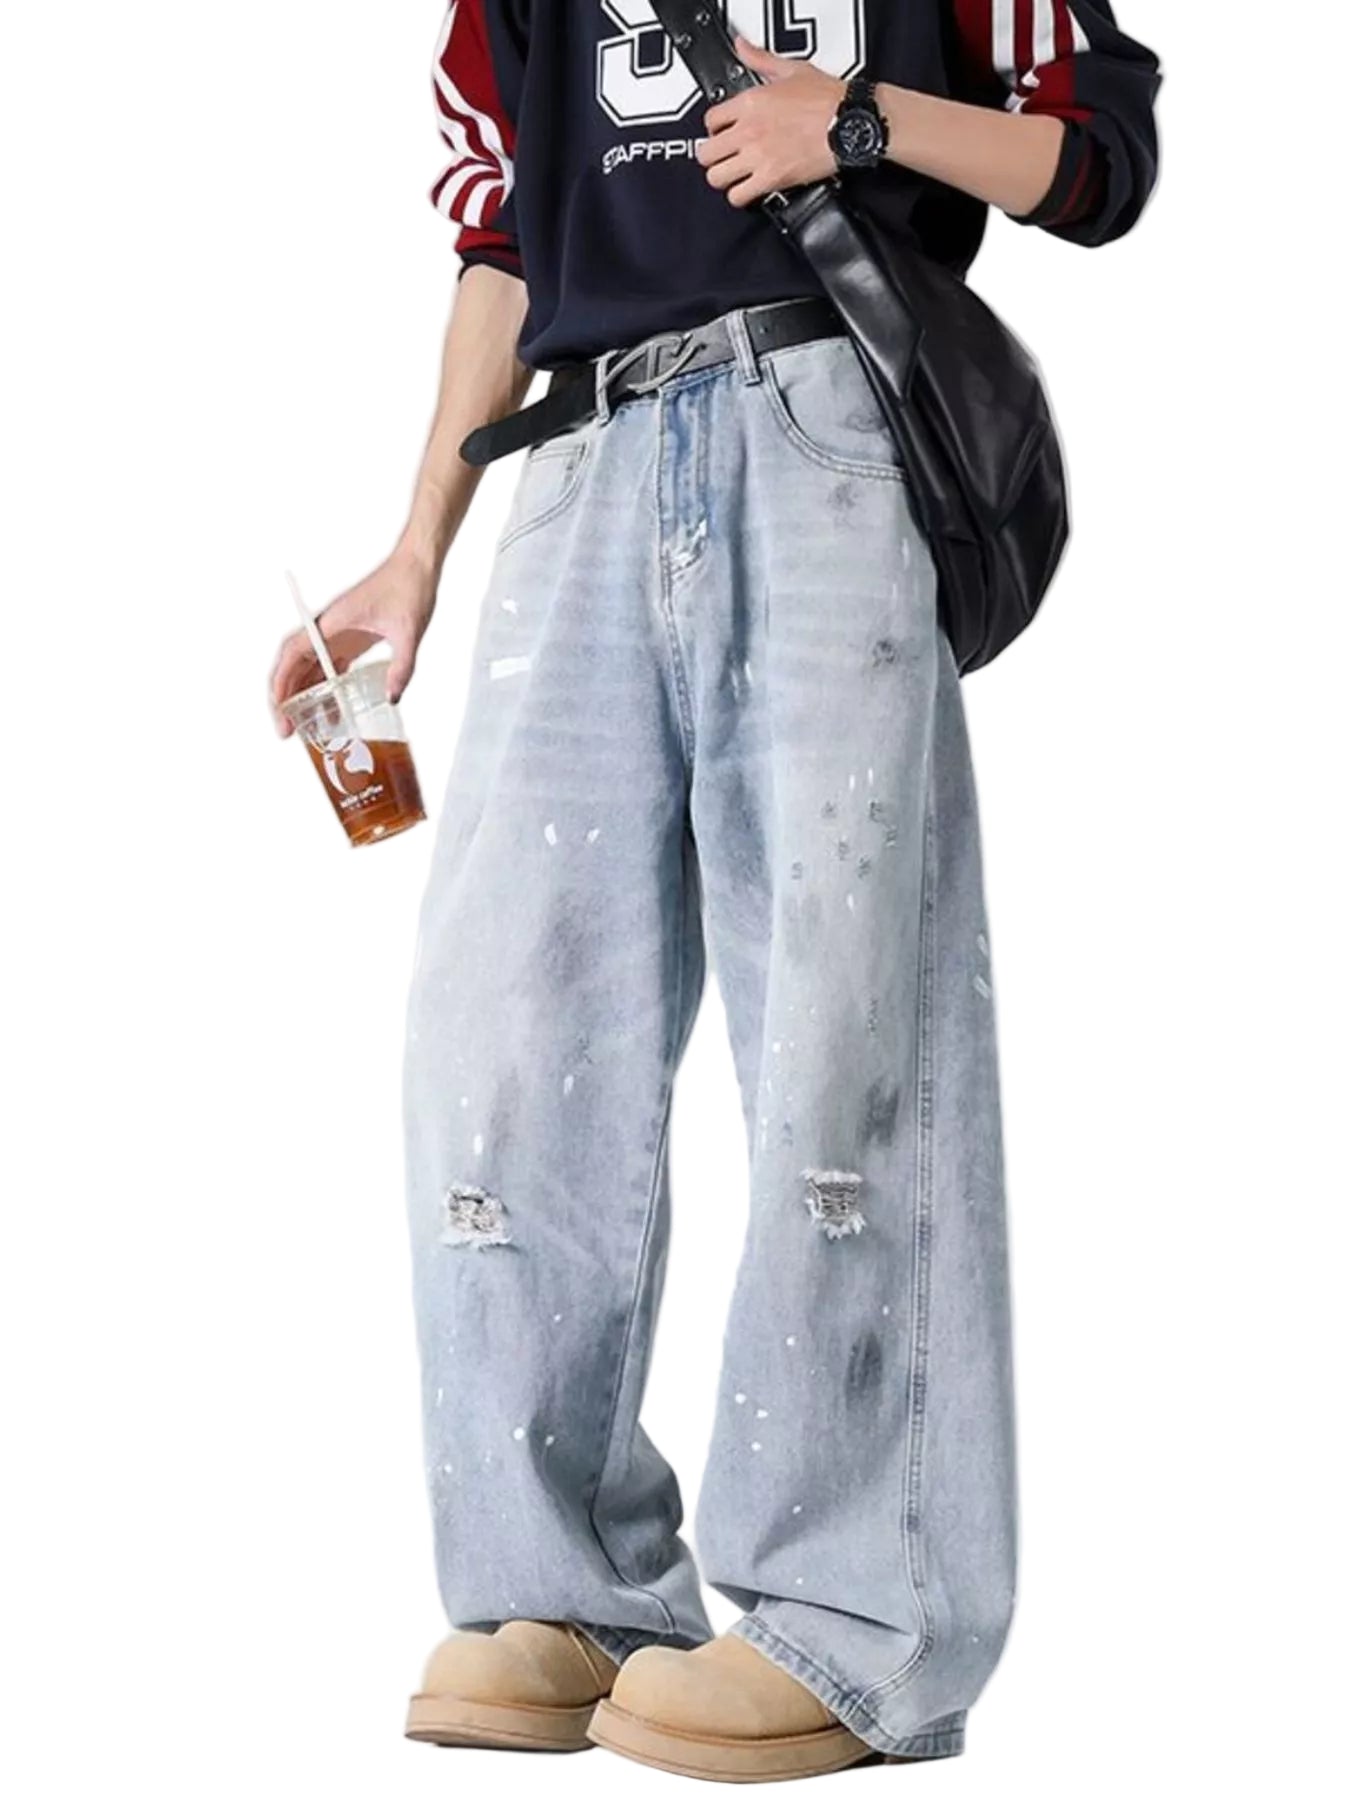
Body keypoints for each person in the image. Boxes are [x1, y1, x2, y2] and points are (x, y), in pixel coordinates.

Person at [270, 2, 1161, 1781]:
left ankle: (860, 1621)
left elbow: (1098, 162)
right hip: (576, 457)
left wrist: (859, 122)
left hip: (820, 420)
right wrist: (416, 549)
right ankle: (565, 1589)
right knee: (503, 1051)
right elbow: (504, 243)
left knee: (848, 1038)